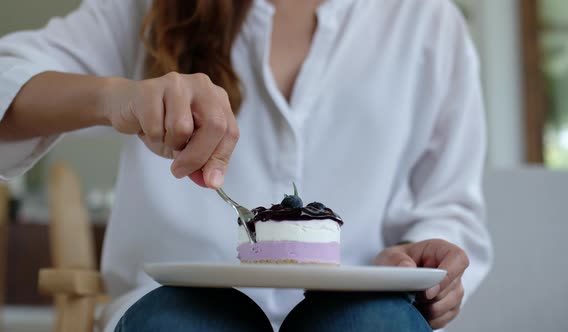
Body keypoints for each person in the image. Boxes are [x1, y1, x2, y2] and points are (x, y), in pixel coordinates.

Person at [0, 0, 492, 331]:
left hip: (363, 300)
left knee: (376, 324)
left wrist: (421, 260)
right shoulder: (142, 8)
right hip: (174, 301)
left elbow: (448, 201)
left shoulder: (426, 19)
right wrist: (116, 97)